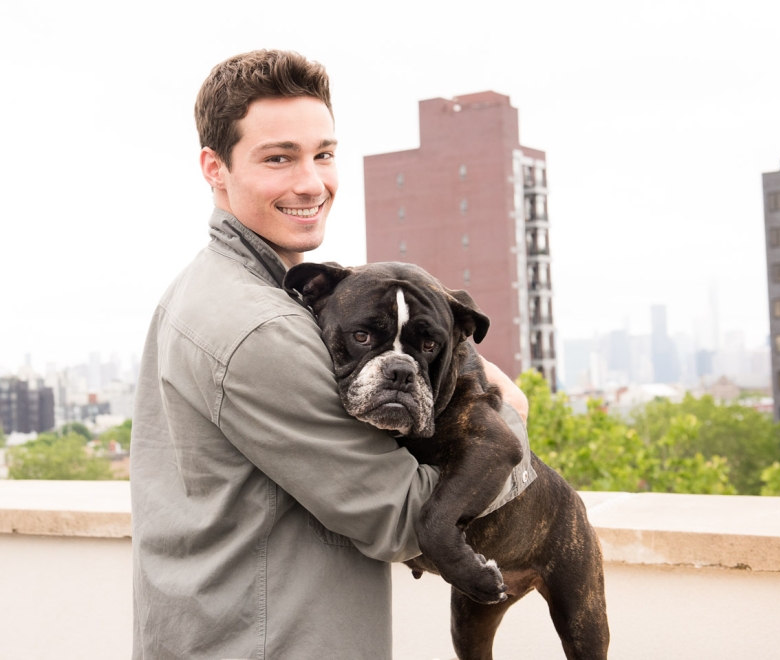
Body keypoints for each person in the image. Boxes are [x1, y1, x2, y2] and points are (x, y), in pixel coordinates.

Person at [130, 49, 529, 660]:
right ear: (215, 167)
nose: (311, 182)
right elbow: (406, 516)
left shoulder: (209, 289)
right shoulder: (256, 327)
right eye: (278, 158)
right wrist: (510, 423)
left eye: (323, 154)